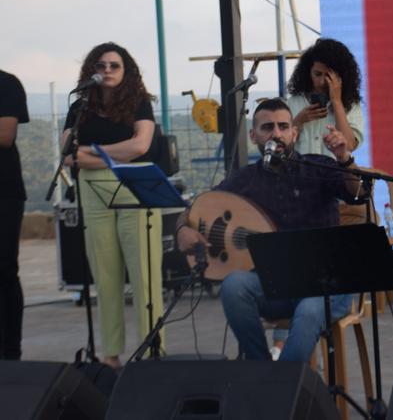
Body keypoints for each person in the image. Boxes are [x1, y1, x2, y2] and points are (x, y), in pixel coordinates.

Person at [176, 98, 361, 362]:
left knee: (309, 311)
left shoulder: (318, 167)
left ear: (294, 133)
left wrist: (344, 158)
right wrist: (183, 228)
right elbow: (198, 206)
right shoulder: (245, 179)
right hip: (274, 286)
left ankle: (283, 381)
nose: (276, 133)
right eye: (267, 127)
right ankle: (261, 369)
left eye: (283, 126)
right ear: (253, 136)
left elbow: (358, 193)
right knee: (234, 286)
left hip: (324, 285)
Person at [61, 43, 159, 369]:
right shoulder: (80, 107)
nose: (107, 71)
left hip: (135, 187)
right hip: (92, 191)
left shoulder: (139, 102)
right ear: (91, 69)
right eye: (100, 65)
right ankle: (111, 355)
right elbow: (68, 154)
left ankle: (151, 352)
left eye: (114, 65)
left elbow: (140, 145)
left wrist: (92, 152)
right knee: (105, 277)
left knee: (144, 274)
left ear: (126, 70)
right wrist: (114, 154)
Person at [286, 38, 365, 157]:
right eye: (317, 74)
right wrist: (298, 121)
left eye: (328, 76)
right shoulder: (292, 103)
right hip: (301, 169)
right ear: (308, 72)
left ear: (340, 76)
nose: (322, 82)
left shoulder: (350, 104)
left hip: (335, 169)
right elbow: (282, 146)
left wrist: (337, 102)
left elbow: (349, 145)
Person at [0, 69, 29, 360]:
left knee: (4, 270)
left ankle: (10, 354)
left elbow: (5, 135)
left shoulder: (6, 83)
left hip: (4, 192)